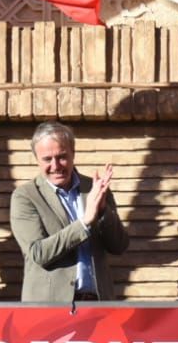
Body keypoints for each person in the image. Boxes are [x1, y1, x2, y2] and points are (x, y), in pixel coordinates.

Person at [9, 122, 129, 303]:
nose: (56, 165)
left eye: (62, 157)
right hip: (51, 308)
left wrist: (104, 211)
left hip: (97, 303)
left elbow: (119, 245)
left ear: (73, 153)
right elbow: (38, 253)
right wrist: (84, 222)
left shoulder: (93, 189)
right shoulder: (25, 196)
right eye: (47, 159)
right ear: (37, 159)